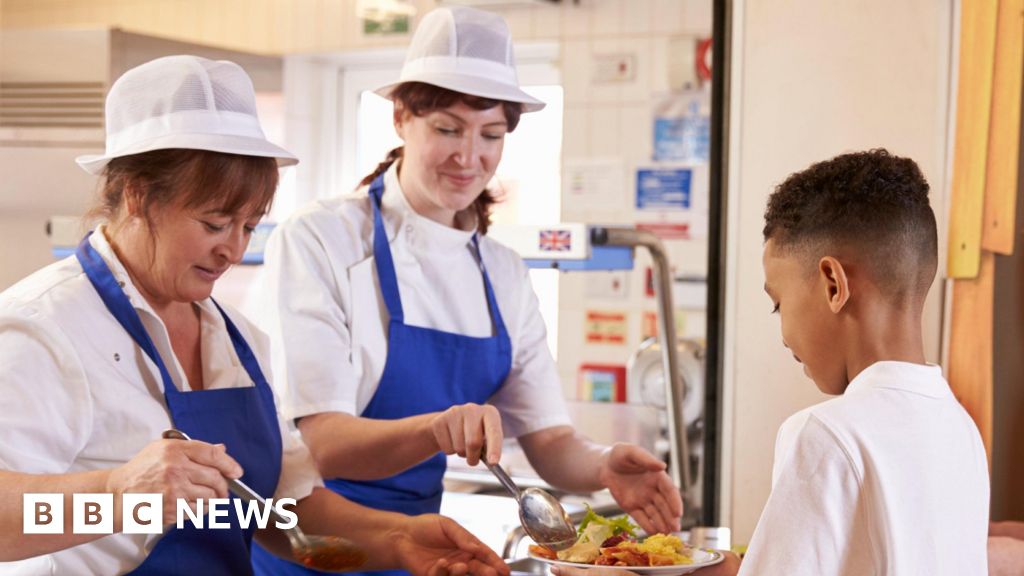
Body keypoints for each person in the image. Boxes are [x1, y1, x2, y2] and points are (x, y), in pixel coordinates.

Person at [0, 55, 508, 576]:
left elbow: (278, 513)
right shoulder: (46, 327)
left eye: (248, 226)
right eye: (215, 223)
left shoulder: (234, 338)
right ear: (138, 196)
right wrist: (117, 495)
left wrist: (400, 538)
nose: (234, 251)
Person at [253, 6, 683, 575]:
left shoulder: (503, 272)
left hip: (424, 551)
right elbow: (324, 443)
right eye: (447, 129)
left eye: (491, 135)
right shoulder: (321, 239)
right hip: (316, 544)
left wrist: (603, 464)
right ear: (401, 118)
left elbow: (551, 440)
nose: (469, 157)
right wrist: (438, 428)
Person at [552, 149, 990, 575]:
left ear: (833, 285)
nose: (782, 334)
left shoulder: (825, 433)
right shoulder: (961, 429)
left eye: (778, 304)